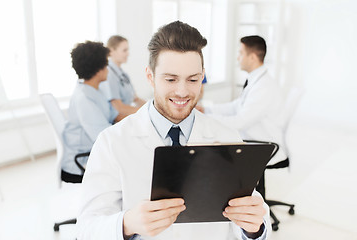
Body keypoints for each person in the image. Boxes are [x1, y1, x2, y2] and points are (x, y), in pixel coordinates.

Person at [76, 22, 271, 240]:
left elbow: (253, 214)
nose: (182, 91)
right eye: (170, 79)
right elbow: (86, 229)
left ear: (202, 76)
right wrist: (126, 223)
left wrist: (253, 228)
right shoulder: (112, 142)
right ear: (150, 76)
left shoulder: (227, 137)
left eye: (193, 79)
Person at [199, 35, 285, 164]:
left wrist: (208, 117)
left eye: (241, 53)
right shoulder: (256, 79)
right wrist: (206, 110)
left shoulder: (264, 87)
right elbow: (236, 106)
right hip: (252, 137)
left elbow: (240, 122)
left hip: (263, 144)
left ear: (252, 57)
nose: (238, 58)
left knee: (212, 150)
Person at [61, 41, 122, 180]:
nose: (108, 68)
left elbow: (114, 115)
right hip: (81, 163)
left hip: (93, 153)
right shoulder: (84, 98)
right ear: (98, 69)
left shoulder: (94, 90)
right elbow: (103, 138)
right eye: (106, 64)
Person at [99, 35, 146, 120]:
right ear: (111, 51)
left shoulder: (123, 74)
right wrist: (145, 112)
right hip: (117, 120)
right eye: (124, 50)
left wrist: (153, 107)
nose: (128, 53)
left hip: (127, 116)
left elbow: (135, 98)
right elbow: (119, 107)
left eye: (128, 50)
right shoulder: (108, 74)